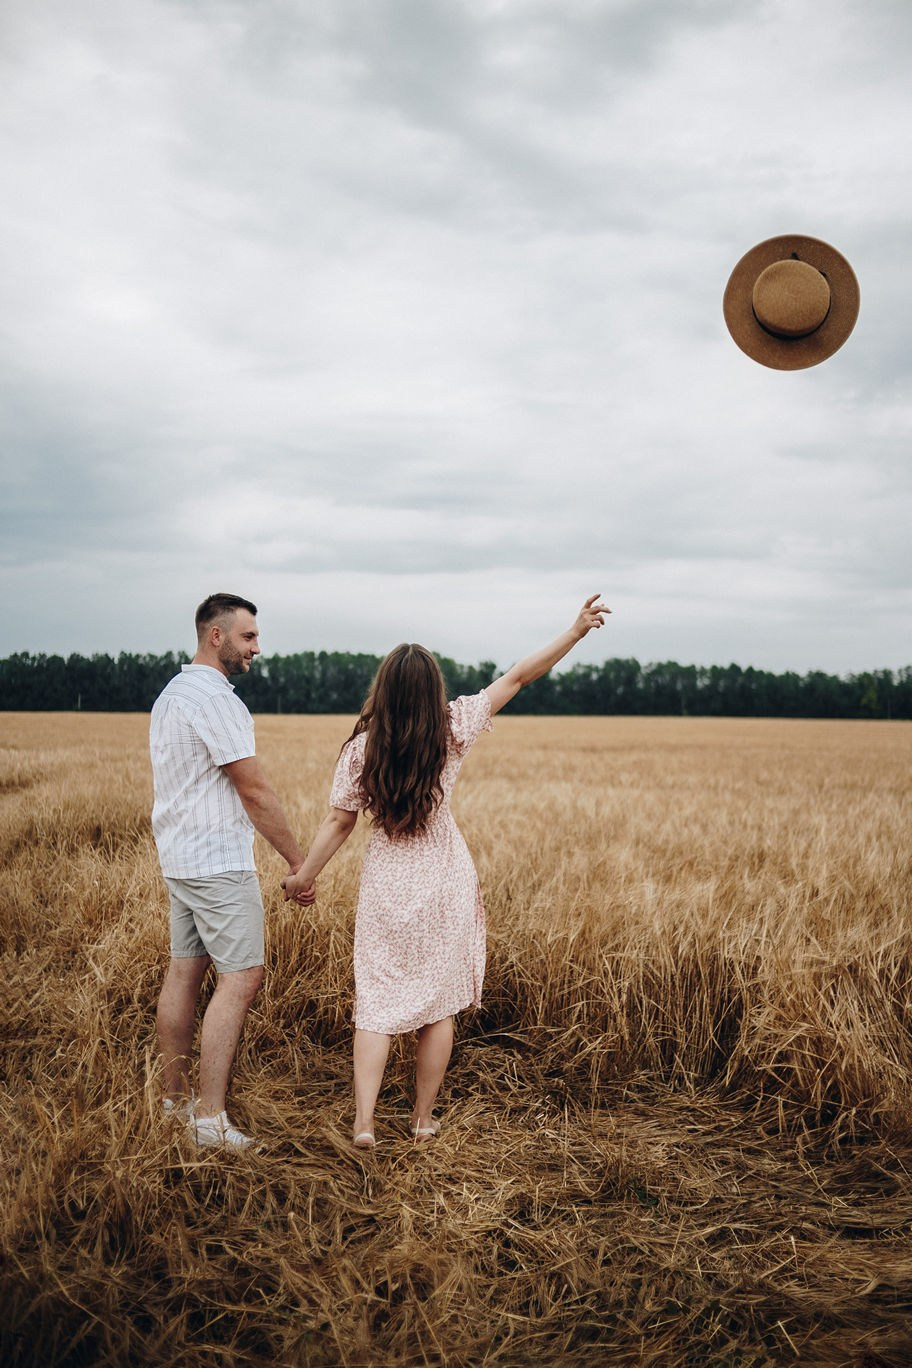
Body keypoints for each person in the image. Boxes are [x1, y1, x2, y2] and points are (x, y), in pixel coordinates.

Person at [282, 594, 610, 1148]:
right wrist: (574, 632)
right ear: (434, 691)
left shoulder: (362, 750)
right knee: (438, 1005)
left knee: (378, 1004)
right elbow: (520, 677)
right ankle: (421, 1121)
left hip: (388, 885)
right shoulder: (453, 727)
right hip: (443, 882)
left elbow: (338, 823)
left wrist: (303, 877)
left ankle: (363, 1123)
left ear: (382, 691)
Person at [151, 592, 305, 1150]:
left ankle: (174, 1102)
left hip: (181, 860)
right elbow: (255, 790)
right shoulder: (217, 699)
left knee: (184, 973)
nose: (257, 649)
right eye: (248, 637)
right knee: (241, 977)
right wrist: (298, 861)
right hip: (217, 864)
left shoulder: (172, 694)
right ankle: (210, 1121)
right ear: (216, 636)